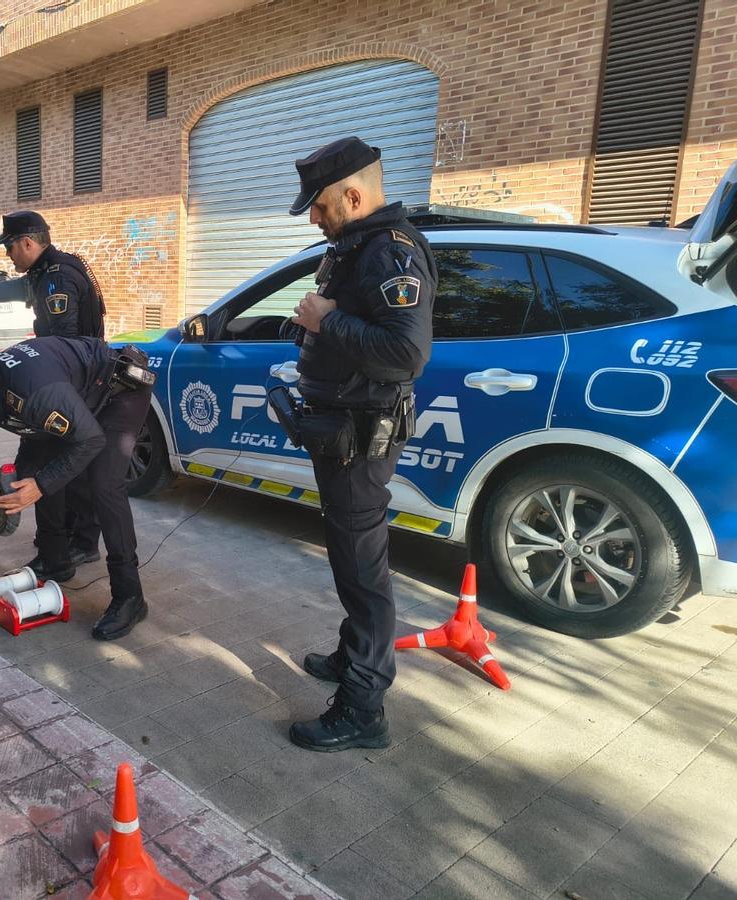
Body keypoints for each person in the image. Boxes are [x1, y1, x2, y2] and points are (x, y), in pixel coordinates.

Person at [283, 137, 437, 752]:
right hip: (341, 429)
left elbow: (406, 353)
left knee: (363, 573)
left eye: (318, 207)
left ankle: (363, 707)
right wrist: (313, 328)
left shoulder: (391, 253)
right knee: (351, 561)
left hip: (361, 434)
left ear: (353, 194)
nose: (313, 219)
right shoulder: (356, 247)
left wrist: (328, 322)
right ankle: (353, 658)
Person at [0, 337, 152, 640]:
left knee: (104, 485)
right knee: (38, 472)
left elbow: (91, 440)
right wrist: (23, 482)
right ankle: (54, 559)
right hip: (80, 394)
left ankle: (130, 597)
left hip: (120, 392)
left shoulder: (33, 391)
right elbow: (34, 440)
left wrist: (41, 485)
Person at [0, 210, 106, 575]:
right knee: (53, 465)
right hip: (70, 381)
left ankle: (75, 546)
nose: (8, 256)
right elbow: (11, 288)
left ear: (28, 243)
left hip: (73, 385)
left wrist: (35, 381)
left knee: (64, 465)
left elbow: (63, 346)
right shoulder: (44, 272)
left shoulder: (59, 278)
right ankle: (62, 543)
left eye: (10, 248)